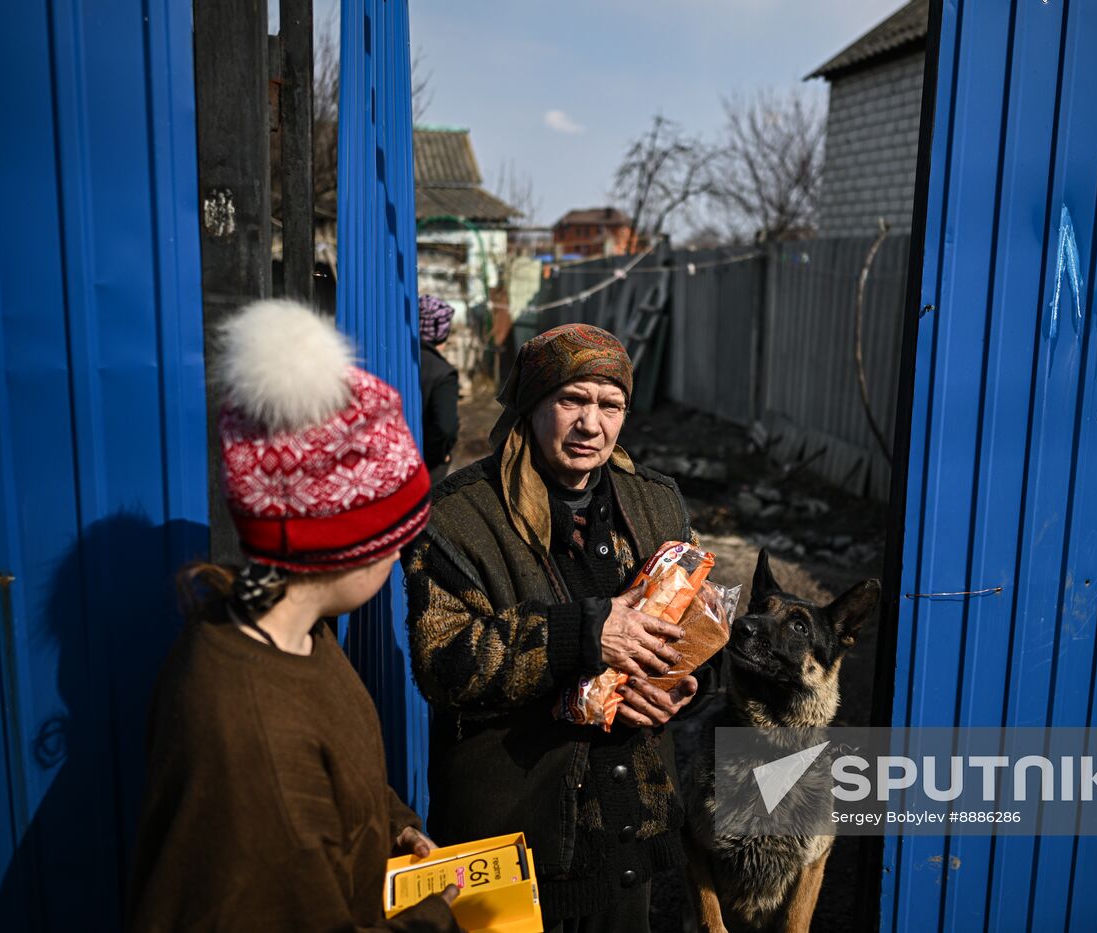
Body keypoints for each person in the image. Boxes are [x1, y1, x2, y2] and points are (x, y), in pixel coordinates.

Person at [127, 299, 459, 932]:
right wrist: (435, 921)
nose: (397, 554)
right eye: (395, 535)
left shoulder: (285, 634)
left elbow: (328, 774)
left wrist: (393, 825)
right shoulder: (252, 730)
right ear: (345, 544)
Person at [403, 324, 713, 932]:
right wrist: (581, 636)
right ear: (533, 403)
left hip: (626, 830)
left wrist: (678, 681)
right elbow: (443, 663)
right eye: (571, 399)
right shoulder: (460, 518)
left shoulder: (655, 503)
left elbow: (699, 622)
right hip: (514, 837)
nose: (591, 424)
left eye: (610, 405)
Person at [418, 295, 460, 484]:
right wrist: (438, 455)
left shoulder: (398, 359)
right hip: (426, 467)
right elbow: (445, 427)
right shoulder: (443, 373)